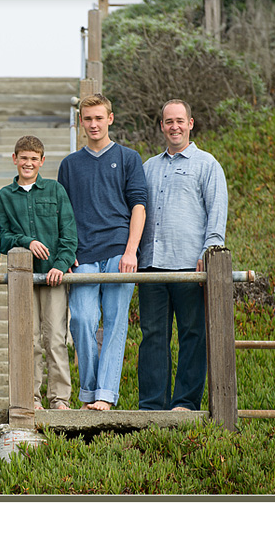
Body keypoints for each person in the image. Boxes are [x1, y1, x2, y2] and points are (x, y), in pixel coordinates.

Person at [57, 94, 147, 411]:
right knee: (82, 319)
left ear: (110, 118)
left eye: (99, 118)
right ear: (81, 122)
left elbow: (139, 206)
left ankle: (105, 395)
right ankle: (90, 391)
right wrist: (65, 253)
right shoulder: (69, 165)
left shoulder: (128, 158)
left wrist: (131, 251)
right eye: (87, 118)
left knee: (115, 322)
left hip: (120, 251)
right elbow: (62, 215)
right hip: (83, 254)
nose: (93, 124)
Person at [138, 99, 228, 411]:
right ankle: (152, 404)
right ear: (161, 126)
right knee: (152, 336)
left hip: (191, 266)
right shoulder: (148, 167)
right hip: (151, 265)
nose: (174, 126)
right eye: (168, 121)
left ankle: (185, 402)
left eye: (180, 121)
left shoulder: (207, 164)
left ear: (191, 123)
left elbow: (217, 213)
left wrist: (210, 252)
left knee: (192, 334)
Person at [0, 135, 77, 410]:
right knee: (27, 340)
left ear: (42, 161)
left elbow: (69, 235)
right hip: (23, 279)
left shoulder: (55, 191)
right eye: (23, 158)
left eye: (33, 159)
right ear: (14, 159)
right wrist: (25, 241)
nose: (28, 163)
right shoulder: (5, 196)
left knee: (54, 339)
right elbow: (1, 237)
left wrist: (60, 265)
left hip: (53, 277)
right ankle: (30, 397)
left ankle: (60, 398)